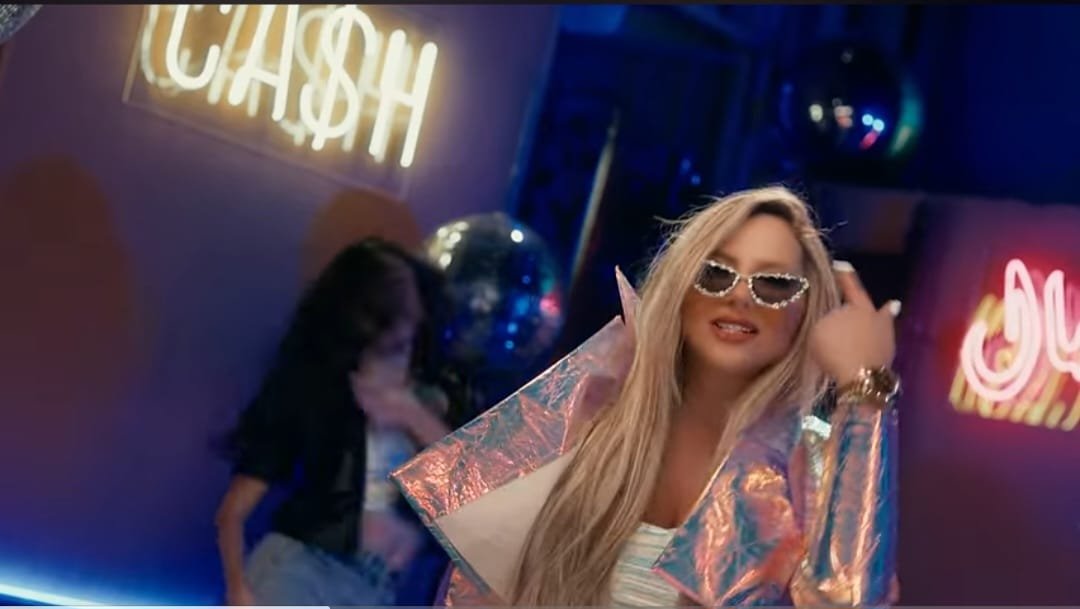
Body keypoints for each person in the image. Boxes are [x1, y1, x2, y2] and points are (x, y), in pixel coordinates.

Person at [393, 186, 901, 607]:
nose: (739, 295)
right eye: (715, 273)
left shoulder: (815, 465)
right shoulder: (586, 413)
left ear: (806, 312)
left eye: (773, 284)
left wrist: (865, 392)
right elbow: (476, 593)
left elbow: (848, 599)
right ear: (682, 287)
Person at [214, 238, 459, 605]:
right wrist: (238, 590)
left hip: (375, 588)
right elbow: (233, 510)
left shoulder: (430, 402)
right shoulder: (317, 394)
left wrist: (412, 414)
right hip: (302, 572)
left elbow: (469, 489)